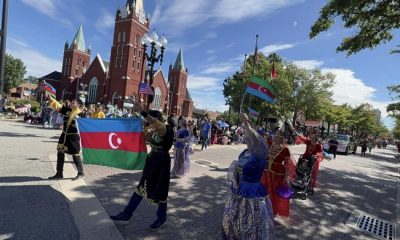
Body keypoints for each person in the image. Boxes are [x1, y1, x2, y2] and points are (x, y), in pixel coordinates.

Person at [110, 102, 176, 230]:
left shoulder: (165, 129)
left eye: (151, 120)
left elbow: (156, 124)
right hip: (152, 161)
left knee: (161, 191)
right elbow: (145, 136)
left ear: (157, 119)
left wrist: (143, 113)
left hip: (162, 163)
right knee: (141, 187)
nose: (150, 122)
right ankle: (126, 214)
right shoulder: (155, 130)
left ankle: (161, 218)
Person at [222, 113, 276, 239]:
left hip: (254, 193)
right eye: (247, 136)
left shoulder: (262, 153)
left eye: (250, 136)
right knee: (237, 220)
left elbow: (257, 139)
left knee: (253, 222)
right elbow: (238, 170)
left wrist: (247, 124)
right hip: (240, 190)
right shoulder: (245, 152)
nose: (248, 138)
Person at [46, 94, 85, 181]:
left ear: (78, 105)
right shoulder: (67, 110)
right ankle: (59, 173)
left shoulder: (82, 114)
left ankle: (81, 173)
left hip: (74, 137)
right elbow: (58, 106)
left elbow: (86, 124)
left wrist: (79, 119)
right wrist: (51, 98)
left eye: (73, 103)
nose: (71, 103)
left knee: (75, 155)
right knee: (60, 153)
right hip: (64, 136)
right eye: (71, 102)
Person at [261, 131, 296, 217]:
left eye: (278, 137)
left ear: (282, 139)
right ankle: (263, 208)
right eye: (275, 137)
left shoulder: (285, 150)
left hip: (277, 175)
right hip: (266, 173)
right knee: (264, 190)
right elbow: (260, 140)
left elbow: (287, 164)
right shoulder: (270, 144)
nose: (276, 139)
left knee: (274, 192)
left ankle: (273, 209)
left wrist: (287, 177)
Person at [289, 121, 323, 188]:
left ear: (316, 139)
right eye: (311, 138)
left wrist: (316, 155)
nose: (312, 139)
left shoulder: (318, 145)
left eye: (314, 138)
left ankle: (304, 180)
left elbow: (319, 153)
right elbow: (300, 136)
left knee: (308, 165)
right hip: (304, 158)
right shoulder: (308, 142)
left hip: (311, 159)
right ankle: (298, 178)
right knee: (300, 165)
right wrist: (293, 130)